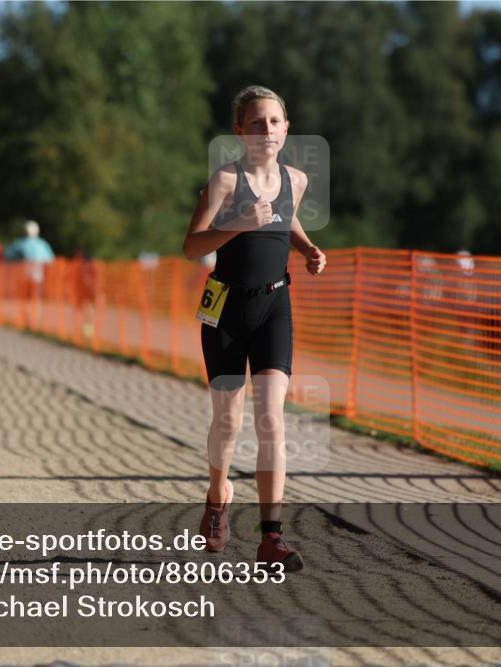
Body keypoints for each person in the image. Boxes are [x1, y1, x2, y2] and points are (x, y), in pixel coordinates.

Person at [182, 85, 326, 571]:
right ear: (240, 132)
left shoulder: (297, 180)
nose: (267, 131)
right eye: (257, 123)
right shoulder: (225, 180)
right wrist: (240, 221)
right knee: (228, 422)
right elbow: (191, 245)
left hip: (274, 305)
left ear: (286, 128)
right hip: (224, 308)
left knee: (272, 419)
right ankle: (218, 496)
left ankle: (271, 538)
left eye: (275, 122)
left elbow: (287, 221)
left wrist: (306, 249)